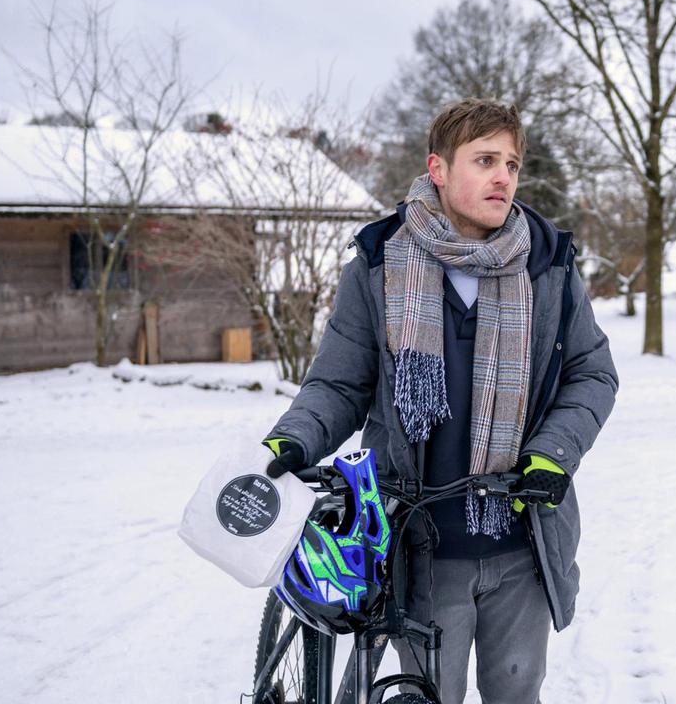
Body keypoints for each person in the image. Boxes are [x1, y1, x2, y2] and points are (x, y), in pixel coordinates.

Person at [262, 98, 618, 704]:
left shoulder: (549, 266)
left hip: (522, 544)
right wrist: (293, 436)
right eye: (484, 160)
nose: (503, 176)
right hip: (420, 552)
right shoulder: (379, 265)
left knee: (517, 694)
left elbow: (593, 374)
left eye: (511, 163)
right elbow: (340, 383)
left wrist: (553, 454)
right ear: (438, 169)